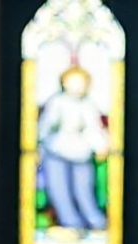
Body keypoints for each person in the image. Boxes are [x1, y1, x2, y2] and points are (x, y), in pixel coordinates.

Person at [37, 65, 108, 233]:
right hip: (56, 150)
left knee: (84, 188)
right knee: (58, 188)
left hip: (81, 151)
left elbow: (93, 128)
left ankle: (94, 221)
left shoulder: (88, 105)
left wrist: (100, 145)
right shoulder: (57, 102)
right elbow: (46, 125)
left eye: (80, 83)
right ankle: (70, 222)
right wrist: (36, 144)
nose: (77, 87)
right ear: (64, 82)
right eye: (72, 82)